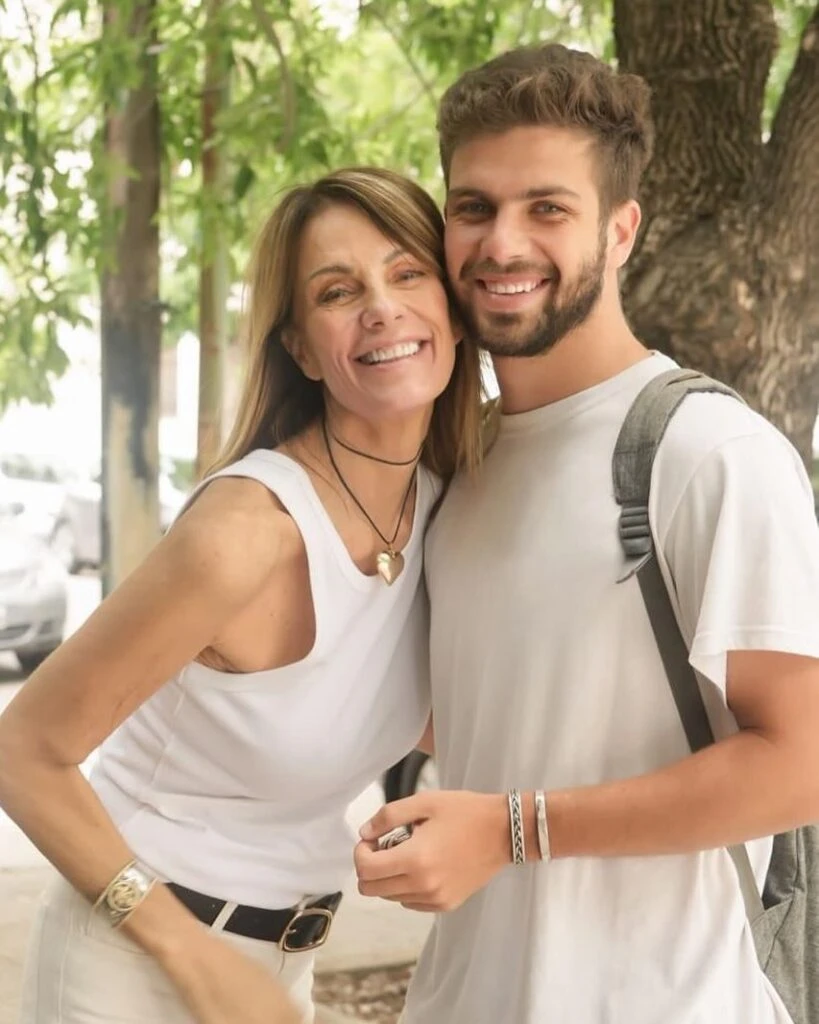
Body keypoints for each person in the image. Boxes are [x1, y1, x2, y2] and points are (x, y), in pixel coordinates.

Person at [354, 45, 819, 1024]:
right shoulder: (457, 469)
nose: (501, 242)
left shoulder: (710, 453)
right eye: (474, 207)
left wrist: (512, 829)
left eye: (547, 209)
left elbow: (800, 762)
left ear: (622, 230)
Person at [0, 166, 484, 1024]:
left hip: (279, 966)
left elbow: (442, 719)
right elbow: (23, 751)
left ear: (450, 308)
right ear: (299, 347)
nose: (382, 306)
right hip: (132, 962)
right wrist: (192, 961)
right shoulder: (248, 529)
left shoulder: (445, 515)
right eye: (339, 291)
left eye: (407, 272)